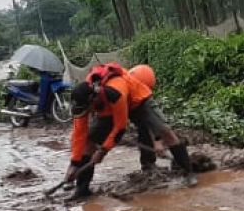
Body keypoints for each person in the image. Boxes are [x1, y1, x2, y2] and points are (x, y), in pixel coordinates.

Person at [63, 63, 196, 199]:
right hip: (108, 110)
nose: (88, 113)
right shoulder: (82, 99)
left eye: (88, 109)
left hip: (137, 102)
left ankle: (188, 172)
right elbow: (79, 134)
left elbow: (120, 127)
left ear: (94, 99)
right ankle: (82, 190)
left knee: (166, 132)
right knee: (89, 142)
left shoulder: (115, 92)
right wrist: (74, 163)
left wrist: (102, 151)